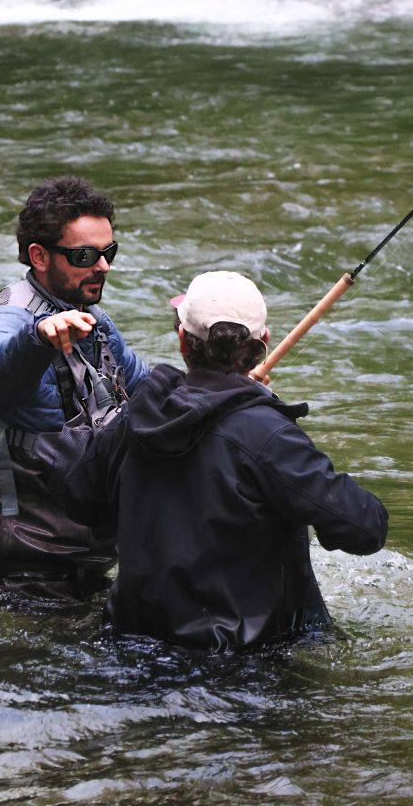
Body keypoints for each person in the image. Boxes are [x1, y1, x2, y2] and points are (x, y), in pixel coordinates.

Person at [49, 270, 389, 649]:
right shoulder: (269, 437)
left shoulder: (137, 416)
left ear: (183, 342)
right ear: (263, 343)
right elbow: (366, 528)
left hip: (130, 647)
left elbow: (79, 500)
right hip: (239, 670)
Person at [0, 175, 149, 599]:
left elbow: (151, 394)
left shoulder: (94, 321)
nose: (103, 267)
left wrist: (220, 387)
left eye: (109, 253)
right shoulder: (9, 320)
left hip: (85, 564)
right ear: (39, 256)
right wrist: (39, 340)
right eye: (85, 255)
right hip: (21, 581)